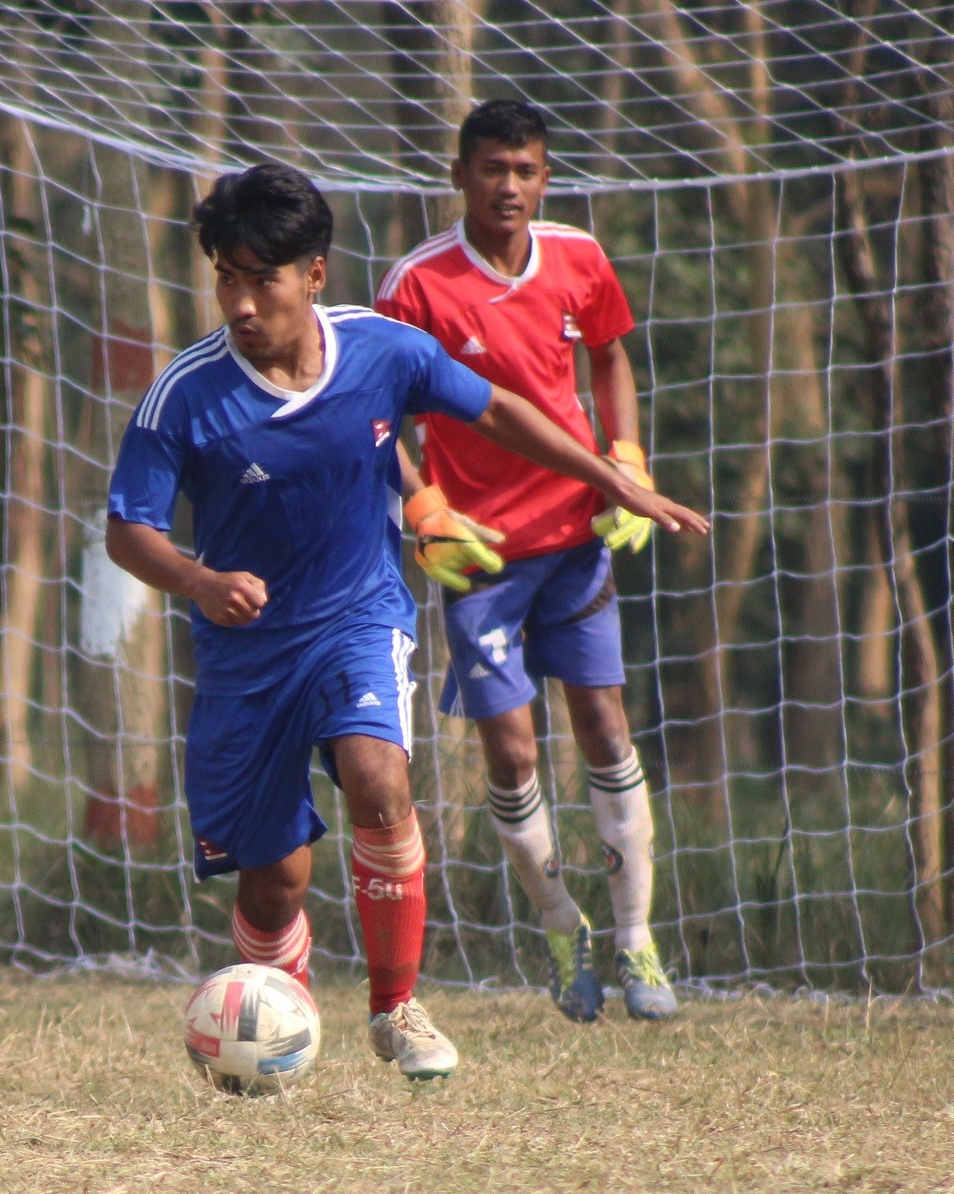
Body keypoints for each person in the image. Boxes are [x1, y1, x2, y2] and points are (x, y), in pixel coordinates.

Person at [105, 164, 706, 1081]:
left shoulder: (385, 351)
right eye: (226, 276)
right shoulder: (184, 395)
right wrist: (196, 579)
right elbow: (127, 530)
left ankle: (396, 1009)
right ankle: (271, 1023)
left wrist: (611, 476)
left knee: (379, 779)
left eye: (261, 278)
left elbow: (500, 407)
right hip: (244, 655)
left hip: (359, 617)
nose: (240, 301)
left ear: (314, 275)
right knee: (278, 881)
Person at [375, 98, 679, 1022]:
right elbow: (376, 415)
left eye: (528, 170)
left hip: (577, 539)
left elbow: (612, 360)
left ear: (545, 177)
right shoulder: (418, 284)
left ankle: (637, 945)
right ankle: (560, 927)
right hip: (483, 560)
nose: (510, 186)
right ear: (460, 173)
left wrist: (624, 456)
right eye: (494, 168)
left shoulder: (580, 258)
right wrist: (422, 504)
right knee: (510, 753)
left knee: (604, 727)